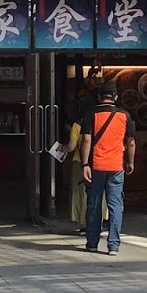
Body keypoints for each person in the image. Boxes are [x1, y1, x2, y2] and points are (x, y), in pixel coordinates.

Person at [81, 82, 135, 255]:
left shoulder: (91, 114)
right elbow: (131, 142)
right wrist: (130, 162)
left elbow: (86, 140)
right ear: (115, 97)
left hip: (96, 166)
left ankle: (92, 243)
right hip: (116, 167)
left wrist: (85, 164)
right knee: (115, 206)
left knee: (94, 204)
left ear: (99, 97)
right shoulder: (124, 116)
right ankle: (113, 246)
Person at [64, 92, 94, 234]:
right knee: (97, 193)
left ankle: (83, 224)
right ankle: (97, 222)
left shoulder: (77, 125)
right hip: (97, 161)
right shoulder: (98, 121)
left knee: (81, 194)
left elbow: (71, 147)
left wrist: (62, 148)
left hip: (80, 162)